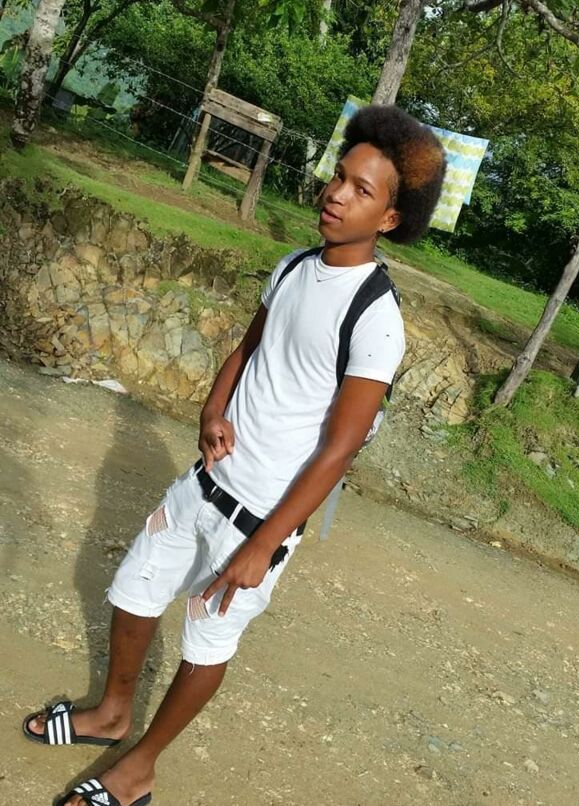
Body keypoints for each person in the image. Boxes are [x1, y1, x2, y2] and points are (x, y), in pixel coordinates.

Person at [23, 105, 446, 806]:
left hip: (260, 518)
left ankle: (139, 767)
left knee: (206, 643)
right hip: (205, 481)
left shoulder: (376, 317)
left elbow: (341, 448)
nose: (336, 194)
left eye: (361, 190)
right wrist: (212, 410)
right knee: (133, 590)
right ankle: (112, 714)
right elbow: (249, 348)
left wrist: (264, 545)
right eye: (339, 177)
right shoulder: (294, 266)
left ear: (391, 218)